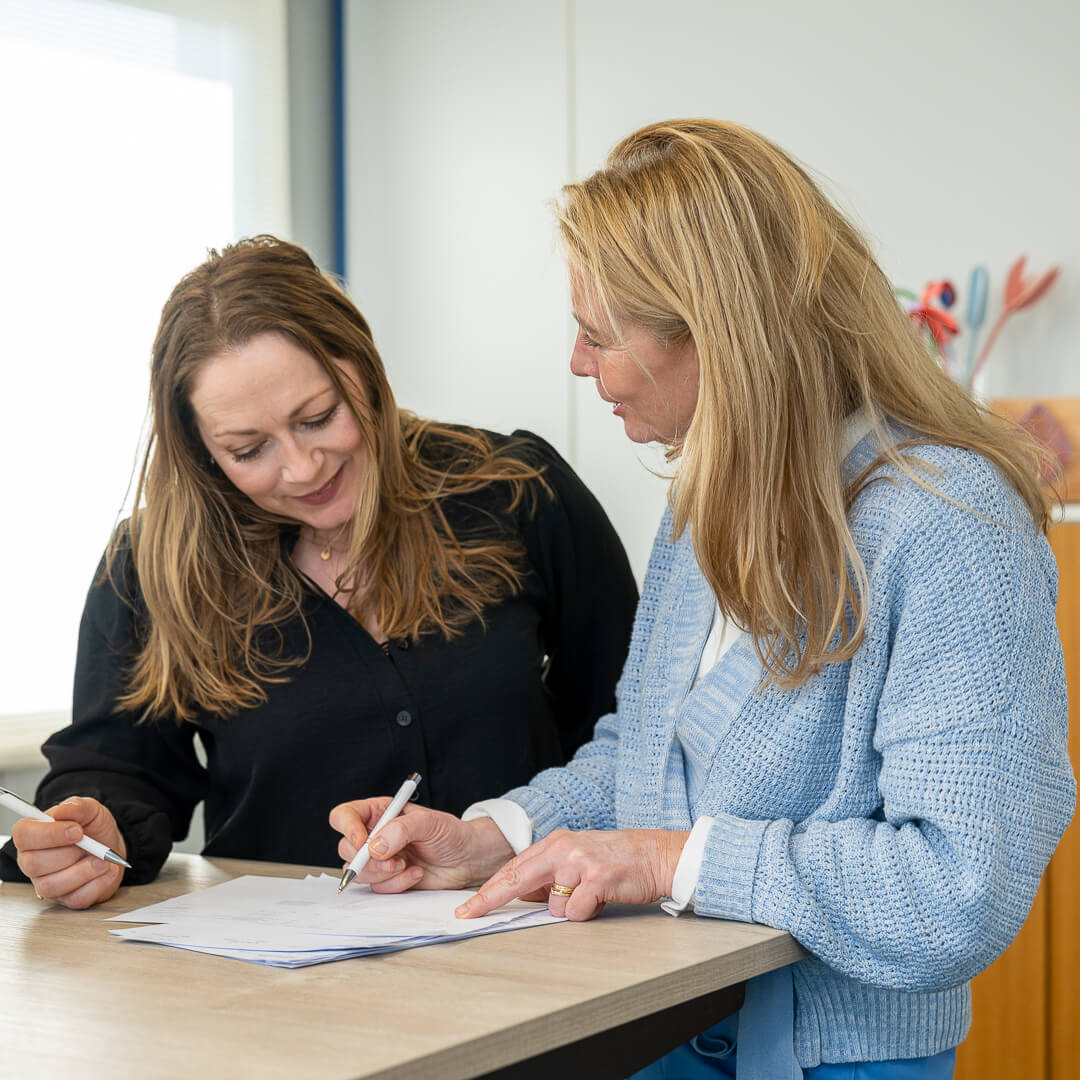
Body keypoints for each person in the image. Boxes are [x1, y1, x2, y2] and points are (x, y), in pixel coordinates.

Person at [326, 120, 1075, 1078]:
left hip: (830, 1057)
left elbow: (956, 888)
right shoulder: (705, 502)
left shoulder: (950, 524)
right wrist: (494, 837)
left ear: (715, 336)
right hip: (664, 1027)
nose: (578, 363)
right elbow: (648, 758)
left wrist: (673, 862)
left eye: (599, 335)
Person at [0, 236, 638, 910]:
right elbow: (120, 771)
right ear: (201, 451)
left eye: (318, 417)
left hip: (536, 930)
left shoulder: (515, 491)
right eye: (248, 450)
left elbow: (634, 722)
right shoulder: (150, 566)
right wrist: (91, 834)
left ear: (362, 365)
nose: (303, 468)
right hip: (274, 959)